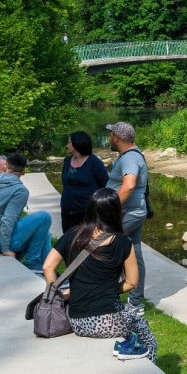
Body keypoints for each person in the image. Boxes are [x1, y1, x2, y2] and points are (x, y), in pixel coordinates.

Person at [43, 188, 156, 361]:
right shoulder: (123, 242)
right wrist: (106, 290)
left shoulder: (73, 234)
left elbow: (48, 267)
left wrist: (57, 296)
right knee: (147, 339)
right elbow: (132, 282)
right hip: (106, 321)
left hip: (76, 320)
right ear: (116, 212)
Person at [0, 152, 51, 273]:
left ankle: (47, 268)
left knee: (43, 230)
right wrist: (5, 249)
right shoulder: (20, 190)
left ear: (5, 167)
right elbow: (8, 219)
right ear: (24, 171)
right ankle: (33, 262)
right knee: (45, 217)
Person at [105, 121, 148, 312]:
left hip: (128, 213)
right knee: (135, 254)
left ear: (117, 137)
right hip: (133, 212)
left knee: (105, 246)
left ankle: (106, 294)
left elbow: (129, 185)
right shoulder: (128, 156)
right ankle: (135, 303)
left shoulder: (130, 158)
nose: (109, 138)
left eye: (110, 134)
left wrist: (109, 209)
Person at [60, 131, 109, 233]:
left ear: (77, 144)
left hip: (88, 213)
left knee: (89, 244)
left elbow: (106, 185)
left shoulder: (94, 162)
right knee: (69, 243)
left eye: (69, 142)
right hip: (67, 211)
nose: (66, 145)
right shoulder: (67, 161)